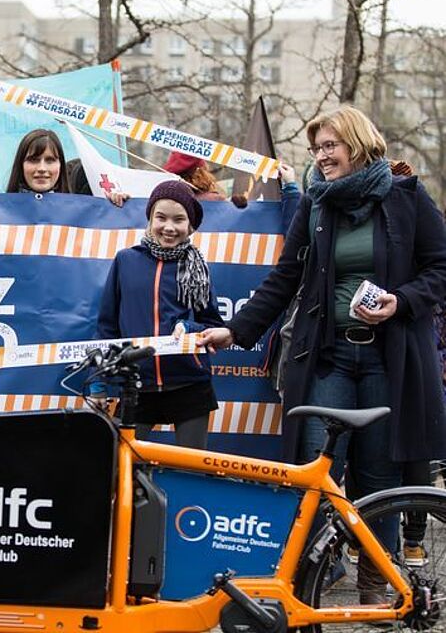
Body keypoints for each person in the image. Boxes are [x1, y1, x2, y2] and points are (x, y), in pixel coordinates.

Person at [199, 106, 446, 603]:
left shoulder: (405, 196)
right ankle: (312, 577)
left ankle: (375, 586)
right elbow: (285, 277)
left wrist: (401, 301)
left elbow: (440, 267)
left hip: (388, 361)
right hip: (327, 358)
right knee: (317, 471)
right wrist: (236, 331)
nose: (321, 156)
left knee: (379, 476)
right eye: (315, 149)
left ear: (357, 143)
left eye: (330, 146)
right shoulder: (315, 202)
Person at [93, 180, 224, 449]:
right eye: (161, 217)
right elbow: (107, 326)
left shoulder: (198, 268)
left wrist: (188, 327)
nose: (169, 227)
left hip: (190, 384)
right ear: (150, 219)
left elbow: (212, 324)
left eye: (179, 219)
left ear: (191, 226)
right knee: (119, 463)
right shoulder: (125, 260)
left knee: (191, 468)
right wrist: (98, 384)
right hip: (136, 384)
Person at [0, 129, 126, 205]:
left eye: (50, 160)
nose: (42, 168)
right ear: (21, 165)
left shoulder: (84, 213)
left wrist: (117, 208)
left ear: (60, 166)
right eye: (34, 160)